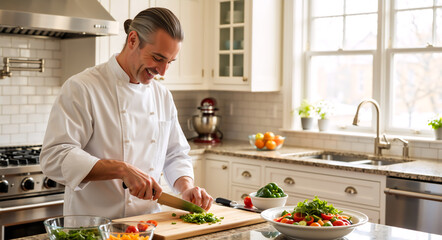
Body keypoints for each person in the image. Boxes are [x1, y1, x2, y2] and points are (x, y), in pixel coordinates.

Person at [40, 7, 213, 219]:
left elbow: (175, 153)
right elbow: (54, 156)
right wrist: (121, 169)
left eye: (170, 62)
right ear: (133, 40)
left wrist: (186, 187)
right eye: (158, 58)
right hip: (93, 227)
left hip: (145, 225)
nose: (163, 71)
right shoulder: (83, 87)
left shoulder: (162, 96)